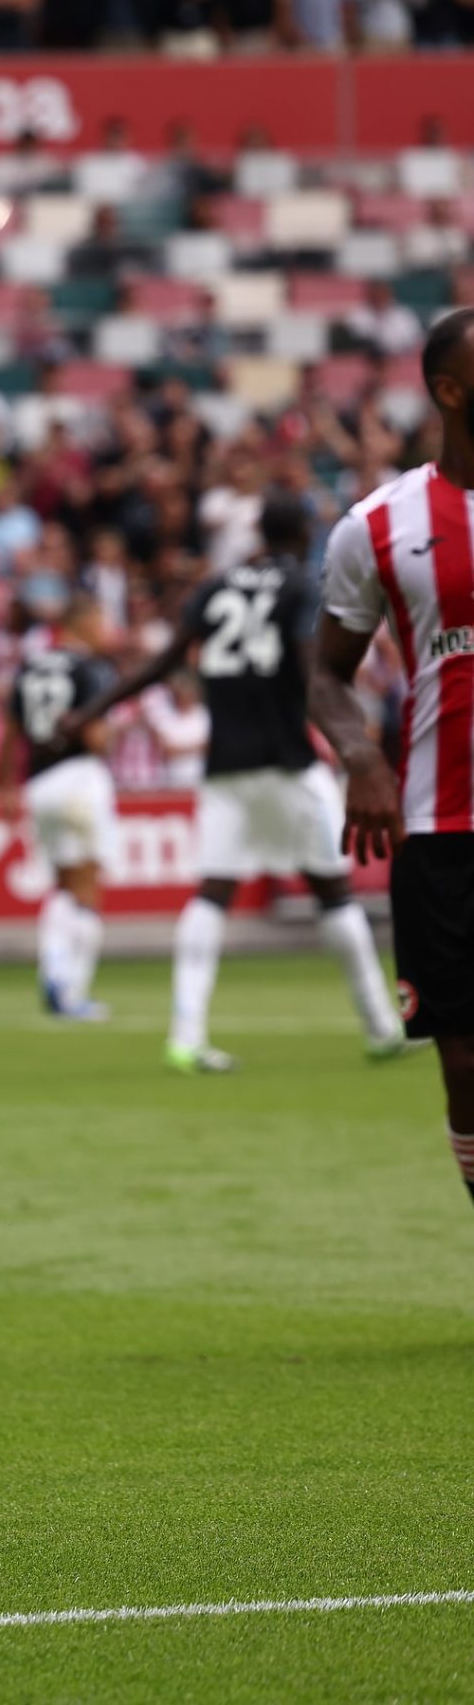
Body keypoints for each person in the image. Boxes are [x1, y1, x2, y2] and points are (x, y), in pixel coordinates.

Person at [66, 492, 409, 1074]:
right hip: (288, 761)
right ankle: (380, 1027)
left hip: (225, 764)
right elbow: (310, 667)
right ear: (303, 534)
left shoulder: (216, 585)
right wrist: (352, 742)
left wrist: (92, 709)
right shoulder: (303, 583)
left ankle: (186, 1033)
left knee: (211, 894)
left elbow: (163, 662)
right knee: (333, 892)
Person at [310, 306, 474, 1206]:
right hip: (438, 824)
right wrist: (359, 754)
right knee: (464, 1053)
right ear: (449, 390)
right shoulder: (376, 527)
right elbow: (327, 675)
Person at [0, 590, 117, 1023]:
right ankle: (67, 985)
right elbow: (96, 737)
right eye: (101, 621)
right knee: (87, 887)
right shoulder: (91, 669)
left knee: (63, 883)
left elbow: (11, 732)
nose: (106, 631)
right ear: (81, 623)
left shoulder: (30, 665)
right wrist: (116, 734)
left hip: (39, 783)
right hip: (80, 778)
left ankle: (58, 976)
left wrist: (4, 788)